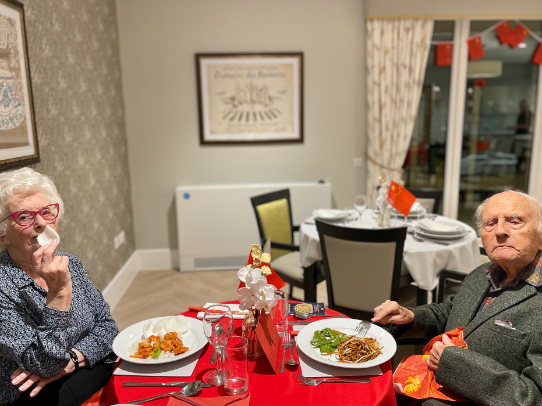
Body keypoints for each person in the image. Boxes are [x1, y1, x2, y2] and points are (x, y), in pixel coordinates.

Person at [373, 190, 542, 406]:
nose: (500, 231)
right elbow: (452, 312)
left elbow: (534, 397)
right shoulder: (484, 273)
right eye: (490, 223)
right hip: (425, 387)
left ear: (540, 237)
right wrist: (410, 316)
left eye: (515, 221)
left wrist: (454, 364)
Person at [0, 168, 118, 406]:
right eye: (24, 217)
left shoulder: (69, 262)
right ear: (3, 235)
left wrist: (73, 359)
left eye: (47, 212)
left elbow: (109, 330)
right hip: (32, 397)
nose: (42, 223)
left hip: (86, 372)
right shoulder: (3, 285)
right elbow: (46, 364)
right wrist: (59, 294)